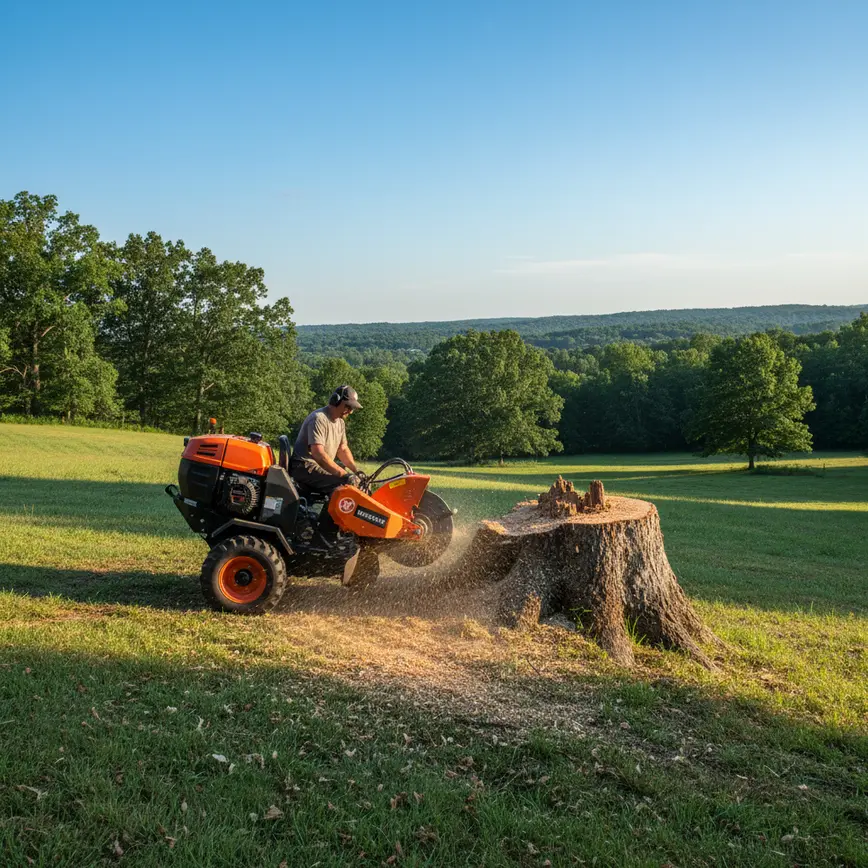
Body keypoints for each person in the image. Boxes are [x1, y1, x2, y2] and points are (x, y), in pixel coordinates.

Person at [290, 385, 365, 496]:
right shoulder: (318, 418)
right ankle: (331, 513)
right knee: (345, 485)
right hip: (305, 467)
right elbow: (318, 454)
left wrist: (357, 471)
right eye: (348, 407)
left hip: (318, 466)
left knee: (358, 483)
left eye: (352, 408)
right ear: (336, 401)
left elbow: (342, 449)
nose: (350, 411)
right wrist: (345, 475)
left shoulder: (340, 422)